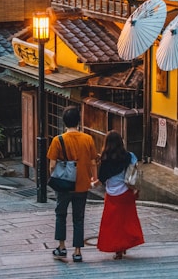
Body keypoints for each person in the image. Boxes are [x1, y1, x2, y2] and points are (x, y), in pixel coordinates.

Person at [47, 106, 98, 263]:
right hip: (82, 184)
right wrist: (93, 178)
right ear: (78, 121)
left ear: (64, 122)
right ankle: (77, 251)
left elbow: (52, 165)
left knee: (61, 215)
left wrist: (56, 177)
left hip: (64, 185)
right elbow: (93, 161)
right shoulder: (87, 139)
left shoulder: (58, 140)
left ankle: (61, 247)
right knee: (79, 218)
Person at [93, 130, 144, 260]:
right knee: (127, 222)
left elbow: (101, 180)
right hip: (126, 193)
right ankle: (124, 245)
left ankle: (118, 250)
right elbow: (134, 171)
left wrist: (91, 184)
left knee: (112, 224)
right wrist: (135, 189)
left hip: (112, 195)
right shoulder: (129, 156)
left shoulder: (105, 160)